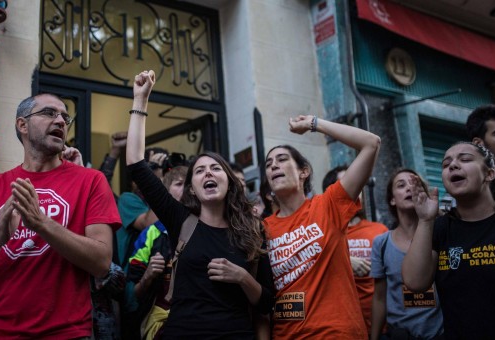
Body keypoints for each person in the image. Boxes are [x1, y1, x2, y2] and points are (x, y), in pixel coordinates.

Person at [0, 93, 121, 338]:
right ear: (23, 125)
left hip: (66, 333)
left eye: (64, 116)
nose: (61, 121)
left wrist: (41, 223)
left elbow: (102, 262)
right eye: (49, 113)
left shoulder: (91, 181)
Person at [127, 70, 274, 339]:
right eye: (199, 171)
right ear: (192, 187)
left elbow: (266, 302)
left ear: (229, 181)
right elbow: (137, 165)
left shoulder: (253, 230)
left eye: (215, 168)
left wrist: (242, 277)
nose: (207, 173)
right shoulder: (180, 220)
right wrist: (140, 100)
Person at [263, 114, 380, 339]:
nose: (274, 165)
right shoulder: (262, 229)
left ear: (303, 171)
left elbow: (371, 143)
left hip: (338, 333)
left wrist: (314, 124)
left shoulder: (329, 204)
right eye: (269, 164)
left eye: (282, 159)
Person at [403, 142, 495, 339]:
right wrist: (424, 220)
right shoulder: (439, 227)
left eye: (464, 159)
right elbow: (415, 282)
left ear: (489, 174)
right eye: (446, 164)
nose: (453, 166)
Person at [369, 169, 443, 340]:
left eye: (414, 183)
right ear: (392, 199)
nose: (409, 188)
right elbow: (379, 298)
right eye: (401, 185)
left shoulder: (440, 234)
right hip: (399, 335)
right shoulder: (382, 243)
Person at [322, 165, 388, 334]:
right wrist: (345, 261)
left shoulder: (379, 230)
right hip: (341, 327)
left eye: (358, 184)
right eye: (347, 183)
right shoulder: (321, 233)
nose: (355, 189)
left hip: (381, 325)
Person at [128, 166, 187, 339]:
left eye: (188, 183)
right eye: (179, 183)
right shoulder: (150, 234)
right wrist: (148, 275)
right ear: (165, 192)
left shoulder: (209, 226)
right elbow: (131, 295)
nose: (186, 188)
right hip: (161, 325)